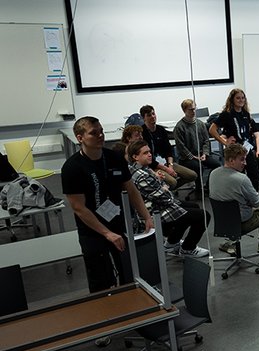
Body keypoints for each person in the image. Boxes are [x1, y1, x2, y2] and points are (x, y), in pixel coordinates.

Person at [61, 116, 153, 293]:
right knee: (101, 281)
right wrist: (107, 234)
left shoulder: (114, 158)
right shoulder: (72, 168)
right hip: (91, 230)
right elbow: (79, 208)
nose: (100, 135)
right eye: (94, 133)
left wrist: (146, 216)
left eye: (101, 131)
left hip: (117, 223)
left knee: (128, 273)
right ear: (80, 138)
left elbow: (131, 189)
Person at [127, 141, 210, 257]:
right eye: (145, 153)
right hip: (154, 213)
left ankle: (171, 243)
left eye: (149, 152)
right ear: (135, 157)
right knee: (203, 215)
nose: (150, 155)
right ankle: (187, 249)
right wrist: (164, 188)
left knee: (193, 207)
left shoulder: (141, 169)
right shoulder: (142, 175)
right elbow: (164, 198)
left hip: (157, 206)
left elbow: (161, 192)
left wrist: (161, 184)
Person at [209, 143, 259, 255]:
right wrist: (247, 202)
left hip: (222, 222)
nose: (245, 163)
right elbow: (256, 202)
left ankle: (231, 241)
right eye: (242, 160)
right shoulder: (242, 179)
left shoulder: (213, 173)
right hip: (241, 223)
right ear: (231, 160)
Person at [208, 89, 259, 190]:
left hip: (247, 149)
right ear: (232, 100)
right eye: (238, 98)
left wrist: (258, 149)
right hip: (235, 150)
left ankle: (253, 196)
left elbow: (255, 133)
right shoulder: (227, 114)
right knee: (238, 177)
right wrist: (225, 142)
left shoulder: (246, 114)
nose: (241, 100)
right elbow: (212, 130)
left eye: (243, 98)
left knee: (254, 175)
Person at [140, 104, 197, 189]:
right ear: (143, 118)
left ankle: (167, 189)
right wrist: (167, 169)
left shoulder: (161, 130)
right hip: (153, 166)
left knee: (192, 175)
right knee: (173, 182)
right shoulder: (142, 133)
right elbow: (147, 158)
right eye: (149, 115)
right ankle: (166, 190)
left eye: (153, 114)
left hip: (166, 163)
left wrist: (170, 166)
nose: (152, 117)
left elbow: (168, 150)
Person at [173, 98, 221, 196]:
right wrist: (193, 157)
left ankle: (207, 186)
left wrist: (205, 154)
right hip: (187, 158)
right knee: (198, 167)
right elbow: (181, 147)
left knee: (217, 165)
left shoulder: (200, 124)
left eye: (195, 109)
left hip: (201, 154)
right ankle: (199, 191)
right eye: (190, 110)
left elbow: (206, 141)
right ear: (184, 110)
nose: (193, 111)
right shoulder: (179, 127)